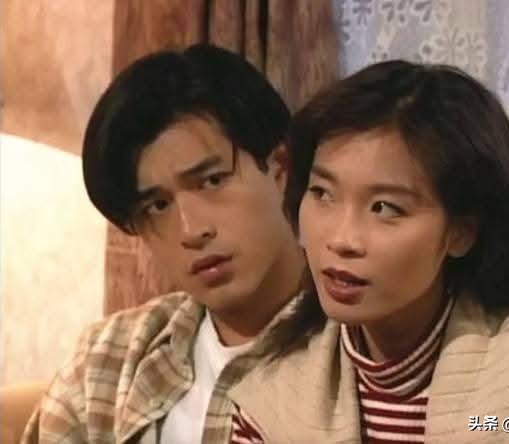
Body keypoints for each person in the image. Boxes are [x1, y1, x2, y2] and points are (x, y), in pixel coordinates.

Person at [228, 60, 509, 443]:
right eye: (322, 193)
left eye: (384, 208)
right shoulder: (276, 383)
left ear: (460, 232)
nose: (341, 239)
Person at [22, 44, 304, 443]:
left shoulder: (367, 356)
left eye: (212, 181)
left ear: (279, 170)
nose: (191, 230)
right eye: (157, 206)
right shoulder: (106, 362)